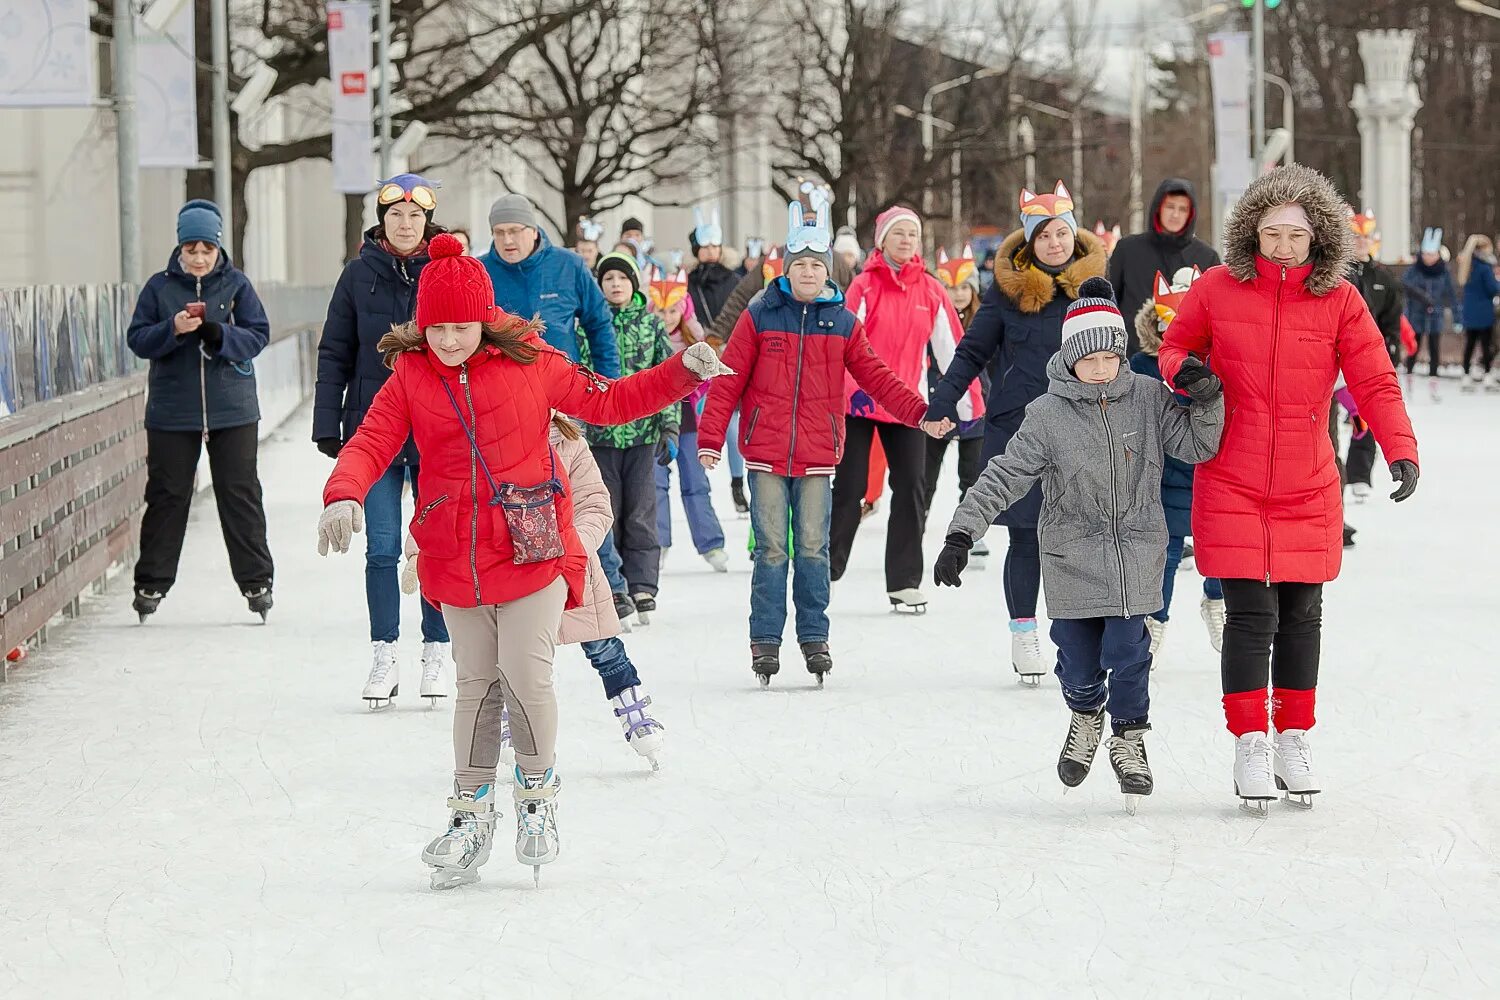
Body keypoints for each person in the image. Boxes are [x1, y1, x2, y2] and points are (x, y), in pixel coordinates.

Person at [315, 233, 727, 889]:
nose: (450, 339)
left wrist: (685, 371)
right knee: (475, 685)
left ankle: (535, 796)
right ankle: (470, 814)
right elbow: (370, 442)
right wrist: (343, 493)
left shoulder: (536, 362)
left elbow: (611, 400)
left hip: (533, 545)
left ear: (484, 318)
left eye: (461, 325)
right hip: (455, 557)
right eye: (438, 327)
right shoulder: (411, 377)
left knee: (525, 675)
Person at [1158, 163, 1419, 812]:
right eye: (1271, 232)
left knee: (1303, 616)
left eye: (1294, 235)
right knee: (1251, 617)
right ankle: (1250, 743)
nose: (1282, 245)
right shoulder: (1218, 288)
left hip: (1308, 480)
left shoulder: (1340, 300)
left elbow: (1375, 381)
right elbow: (1173, 345)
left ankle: (1294, 736)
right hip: (1233, 477)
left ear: (1316, 239)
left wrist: (1400, 450)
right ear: (1252, 232)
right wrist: (1186, 373)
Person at [932, 277, 1224, 809]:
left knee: (1130, 651)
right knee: (1078, 656)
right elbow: (1005, 474)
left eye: (1111, 356)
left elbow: (1198, 444)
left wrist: (1207, 398)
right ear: (1070, 359)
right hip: (1071, 556)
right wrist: (961, 532)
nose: (1101, 367)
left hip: (1136, 549)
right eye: (1089, 359)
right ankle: (1086, 714)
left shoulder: (1147, 396)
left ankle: (1129, 739)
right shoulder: (1047, 414)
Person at [698, 199, 927, 686]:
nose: (807, 272)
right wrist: (711, 438)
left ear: (828, 271)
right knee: (772, 551)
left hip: (819, 453)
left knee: (813, 548)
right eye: (799, 264)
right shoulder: (760, 314)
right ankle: (765, 640)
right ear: (786, 269)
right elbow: (728, 379)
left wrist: (919, 413)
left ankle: (814, 637)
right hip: (764, 453)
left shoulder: (841, 321)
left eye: (816, 265)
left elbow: (878, 378)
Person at [925, 180, 1108, 684]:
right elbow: (971, 353)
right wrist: (943, 401)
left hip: (1083, 427)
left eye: (1061, 233)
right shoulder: (1006, 296)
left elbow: (1121, 356)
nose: (1054, 243)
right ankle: (1023, 631)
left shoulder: (1094, 292)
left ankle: (1078, 635)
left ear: (1074, 236)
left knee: (1079, 536)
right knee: (1026, 537)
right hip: (1021, 428)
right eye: (1044, 235)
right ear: (1029, 243)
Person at [314, 173, 452, 705]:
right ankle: (384, 653)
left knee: (437, 544)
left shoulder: (446, 273)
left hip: (437, 431)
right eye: (396, 215)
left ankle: (436, 652)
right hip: (375, 431)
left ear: (426, 221)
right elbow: (334, 352)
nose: (405, 223)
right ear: (382, 219)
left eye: (415, 216)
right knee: (383, 547)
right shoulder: (357, 275)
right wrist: (330, 425)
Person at [126, 197, 274, 624]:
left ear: (217, 248)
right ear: (179, 248)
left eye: (206, 249)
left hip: (233, 408)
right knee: (168, 494)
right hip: (173, 410)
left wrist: (219, 335)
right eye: (190, 248)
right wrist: (172, 329)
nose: (198, 257)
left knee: (240, 492)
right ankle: (151, 581)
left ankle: (256, 580)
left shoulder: (237, 285)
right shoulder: (159, 287)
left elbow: (258, 334)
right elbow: (138, 340)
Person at [829, 206, 982, 612]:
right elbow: (843, 341)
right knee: (850, 488)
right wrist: (846, 389)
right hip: (859, 401)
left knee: (913, 486)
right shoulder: (864, 285)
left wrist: (968, 402)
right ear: (882, 241)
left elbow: (952, 348)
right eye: (898, 233)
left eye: (912, 235)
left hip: (907, 405)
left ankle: (903, 581)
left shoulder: (930, 290)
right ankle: (826, 567)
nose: (906, 240)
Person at [705, 196, 860, 517]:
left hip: (821, 348)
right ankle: (761, 535)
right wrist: (718, 333)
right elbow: (740, 297)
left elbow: (855, 292)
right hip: (773, 337)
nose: (807, 223)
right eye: (803, 218)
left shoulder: (832, 259)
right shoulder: (774, 257)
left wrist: (852, 329)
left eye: (812, 219)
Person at [1128, 266, 1224, 657]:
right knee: (1165, 553)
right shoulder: (1141, 365)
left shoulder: (1217, 359)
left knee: (1218, 545)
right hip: (1162, 472)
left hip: (1210, 465)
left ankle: (1217, 605)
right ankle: (1155, 621)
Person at [587, 252, 678, 621]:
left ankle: (643, 585)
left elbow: (670, 377)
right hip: (599, 436)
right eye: (608, 279)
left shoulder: (651, 326)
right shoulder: (588, 325)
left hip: (641, 434)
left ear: (633, 284)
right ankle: (614, 585)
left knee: (641, 512)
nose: (615, 285)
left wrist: (669, 424)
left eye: (622, 279)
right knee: (607, 512)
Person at [479, 193, 620, 377]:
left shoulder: (569, 265)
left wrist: (608, 382)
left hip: (561, 383)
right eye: (499, 232)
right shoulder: (479, 271)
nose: (507, 240)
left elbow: (599, 324)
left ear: (534, 230)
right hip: (502, 386)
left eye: (514, 231)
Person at [648, 267, 729, 572]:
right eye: (661, 311)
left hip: (686, 417)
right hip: (654, 416)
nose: (666, 317)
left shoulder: (693, 338)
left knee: (695, 480)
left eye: (671, 311)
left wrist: (693, 394)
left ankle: (711, 543)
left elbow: (708, 376)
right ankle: (659, 541)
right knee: (656, 483)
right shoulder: (646, 334)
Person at [923, 247, 989, 565]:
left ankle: (970, 532)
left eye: (964, 287)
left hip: (977, 405)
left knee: (972, 475)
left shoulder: (985, 319)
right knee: (925, 473)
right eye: (951, 288)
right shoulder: (934, 320)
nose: (958, 294)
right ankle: (915, 525)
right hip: (940, 401)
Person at [1107, 178, 1221, 354]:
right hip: (1132, 357)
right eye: (1170, 206)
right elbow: (1109, 302)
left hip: (1186, 362)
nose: (1175, 214)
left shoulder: (1206, 257)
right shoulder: (1127, 249)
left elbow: (1215, 316)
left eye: (1182, 209)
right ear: (1158, 207)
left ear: (1191, 214)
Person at [1342, 212, 1404, 504]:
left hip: (1366, 360)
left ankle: (1359, 474)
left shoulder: (1383, 279)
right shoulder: (1337, 272)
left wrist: (1391, 350)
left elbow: (1393, 319)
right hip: (1335, 364)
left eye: (1365, 237)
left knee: (1363, 418)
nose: (1360, 242)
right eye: (1355, 236)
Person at [1402, 227, 1458, 401]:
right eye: (1426, 254)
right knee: (1413, 348)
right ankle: (1408, 381)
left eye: (1432, 254)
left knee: (1435, 350)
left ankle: (1434, 385)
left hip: (1435, 318)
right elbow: (1405, 286)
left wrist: (1457, 316)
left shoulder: (1444, 271)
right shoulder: (1414, 270)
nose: (1428, 258)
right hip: (1416, 317)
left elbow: (1451, 294)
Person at [1456, 233, 1499, 391]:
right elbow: (1493, 288)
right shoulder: (1484, 267)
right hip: (1484, 312)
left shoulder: (1468, 265)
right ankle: (1487, 375)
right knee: (1486, 345)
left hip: (1469, 312)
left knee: (1470, 345)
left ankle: (1465, 375)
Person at [687, 207, 739, 323]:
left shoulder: (733, 279)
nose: (710, 252)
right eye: (705, 247)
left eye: (715, 247)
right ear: (697, 250)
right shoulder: (689, 281)